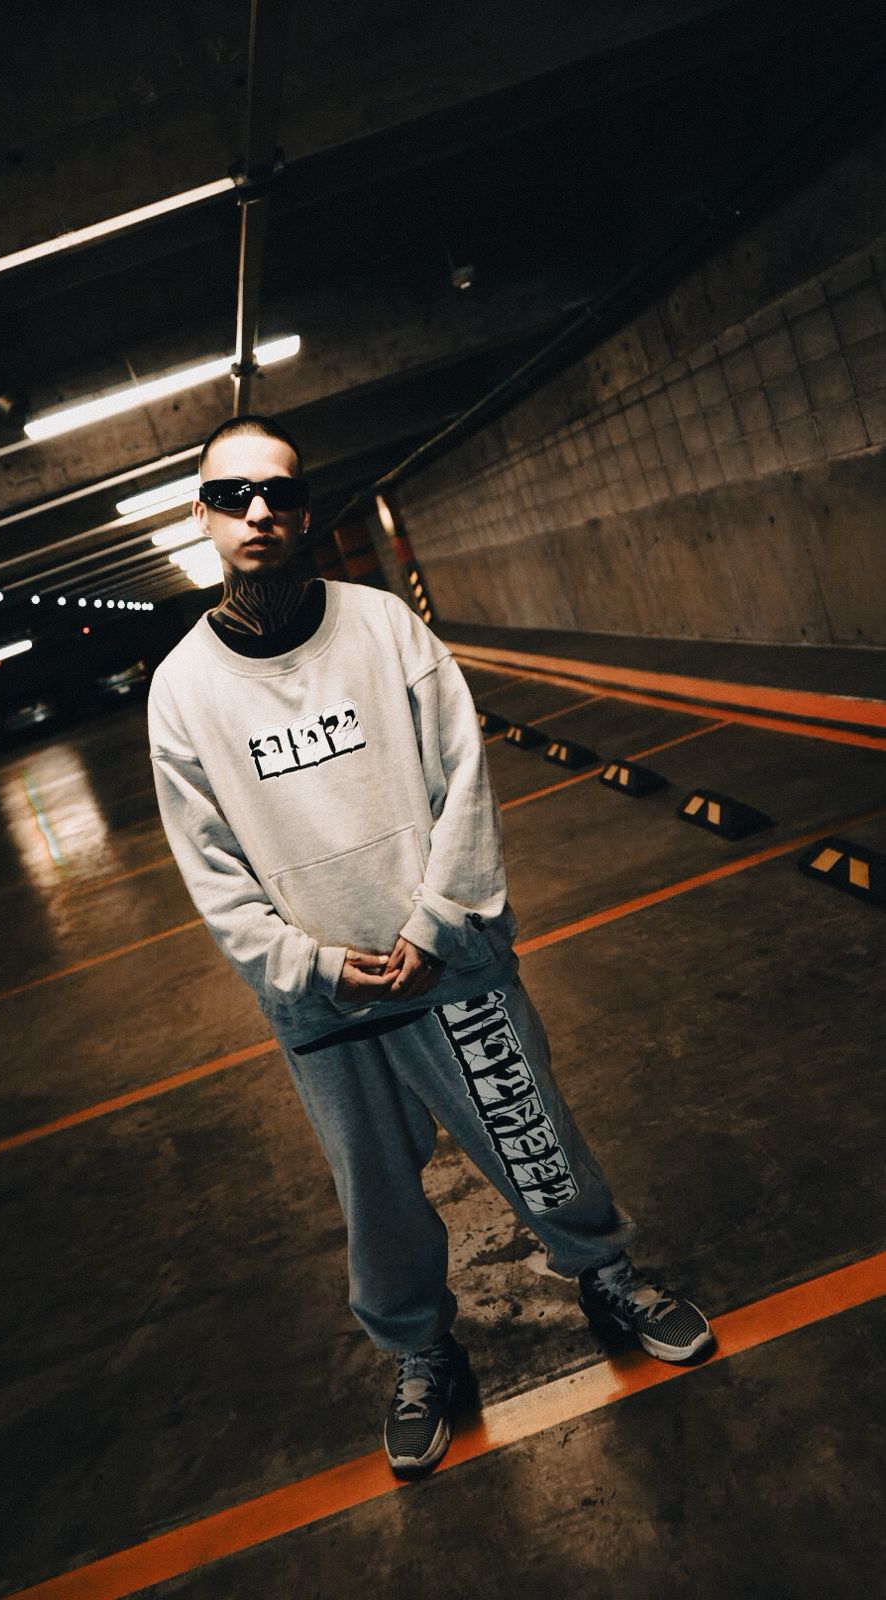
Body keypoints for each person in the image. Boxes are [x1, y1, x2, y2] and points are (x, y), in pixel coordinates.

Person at [148, 414, 714, 1477]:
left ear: (304, 510)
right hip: (325, 1001)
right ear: (202, 516)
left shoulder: (382, 628)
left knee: (533, 1136)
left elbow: (464, 780)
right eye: (231, 496)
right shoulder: (183, 691)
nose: (257, 512)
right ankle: (420, 1351)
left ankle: (605, 1275)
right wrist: (312, 965)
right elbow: (211, 871)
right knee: (374, 1195)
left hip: (448, 966)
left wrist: (433, 922)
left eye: (278, 493)